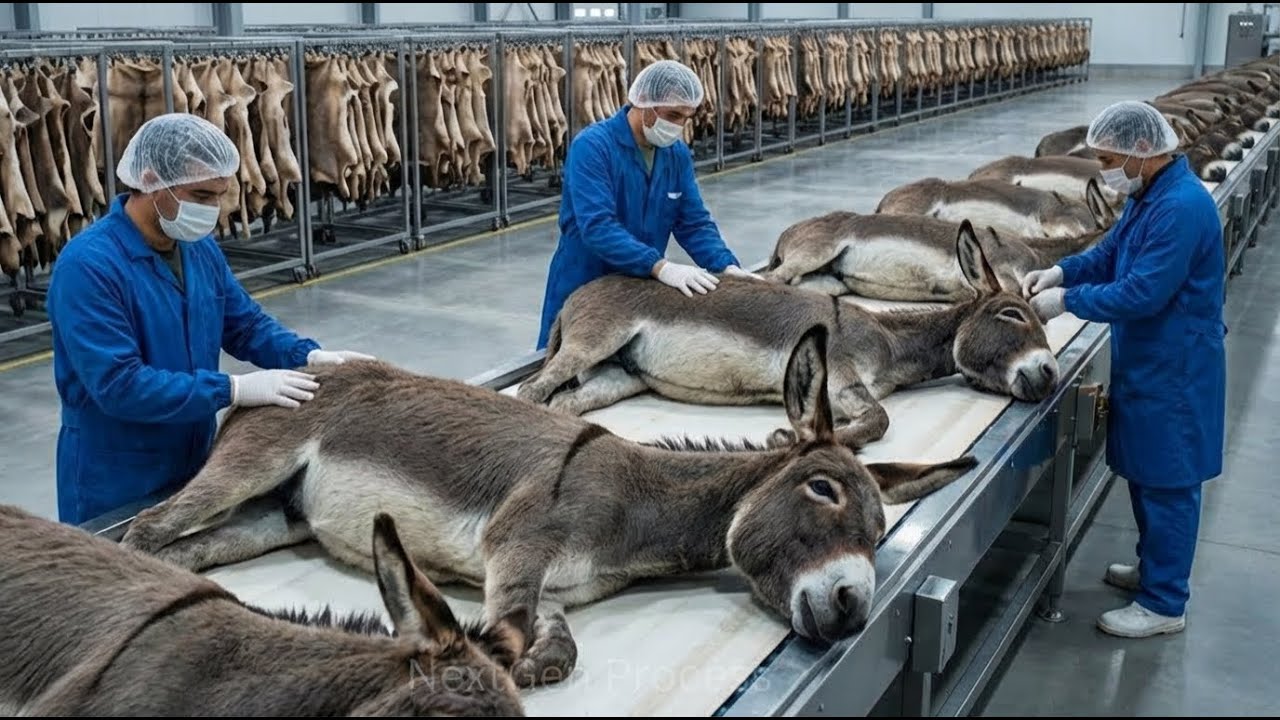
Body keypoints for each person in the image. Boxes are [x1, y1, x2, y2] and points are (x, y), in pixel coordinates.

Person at [46, 113, 376, 526]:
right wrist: (232, 389)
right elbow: (119, 385)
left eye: (219, 195)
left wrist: (307, 356)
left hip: (192, 458)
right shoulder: (89, 267)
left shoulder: (196, 249)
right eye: (200, 195)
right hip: (116, 475)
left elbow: (244, 324)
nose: (212, 210)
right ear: (150, 180)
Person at [1021, 100, 1227, 639]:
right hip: (1150, 361)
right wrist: (1061, 270)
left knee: (1169, 484)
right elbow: (1112, 253)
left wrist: (1067, 301)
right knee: (1145, 474)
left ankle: (1164, 602)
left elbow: (1142, 292)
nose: (1104, 169)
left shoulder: (1181, 207)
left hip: (1177, 368)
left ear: (1142, 150)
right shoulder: (1149, 195)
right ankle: (1153, 569)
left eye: (1109, 159)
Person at [535, 59, 759, 350]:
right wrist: (660, 267)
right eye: (673, 115)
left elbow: (693, 222)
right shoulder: (592, 147)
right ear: (643, 103)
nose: (678, 125)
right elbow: (598, 227)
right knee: (565, 358)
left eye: (686, 117)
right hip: (584, 280)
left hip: (638, 288)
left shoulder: (676, 154)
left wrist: (726, 265)